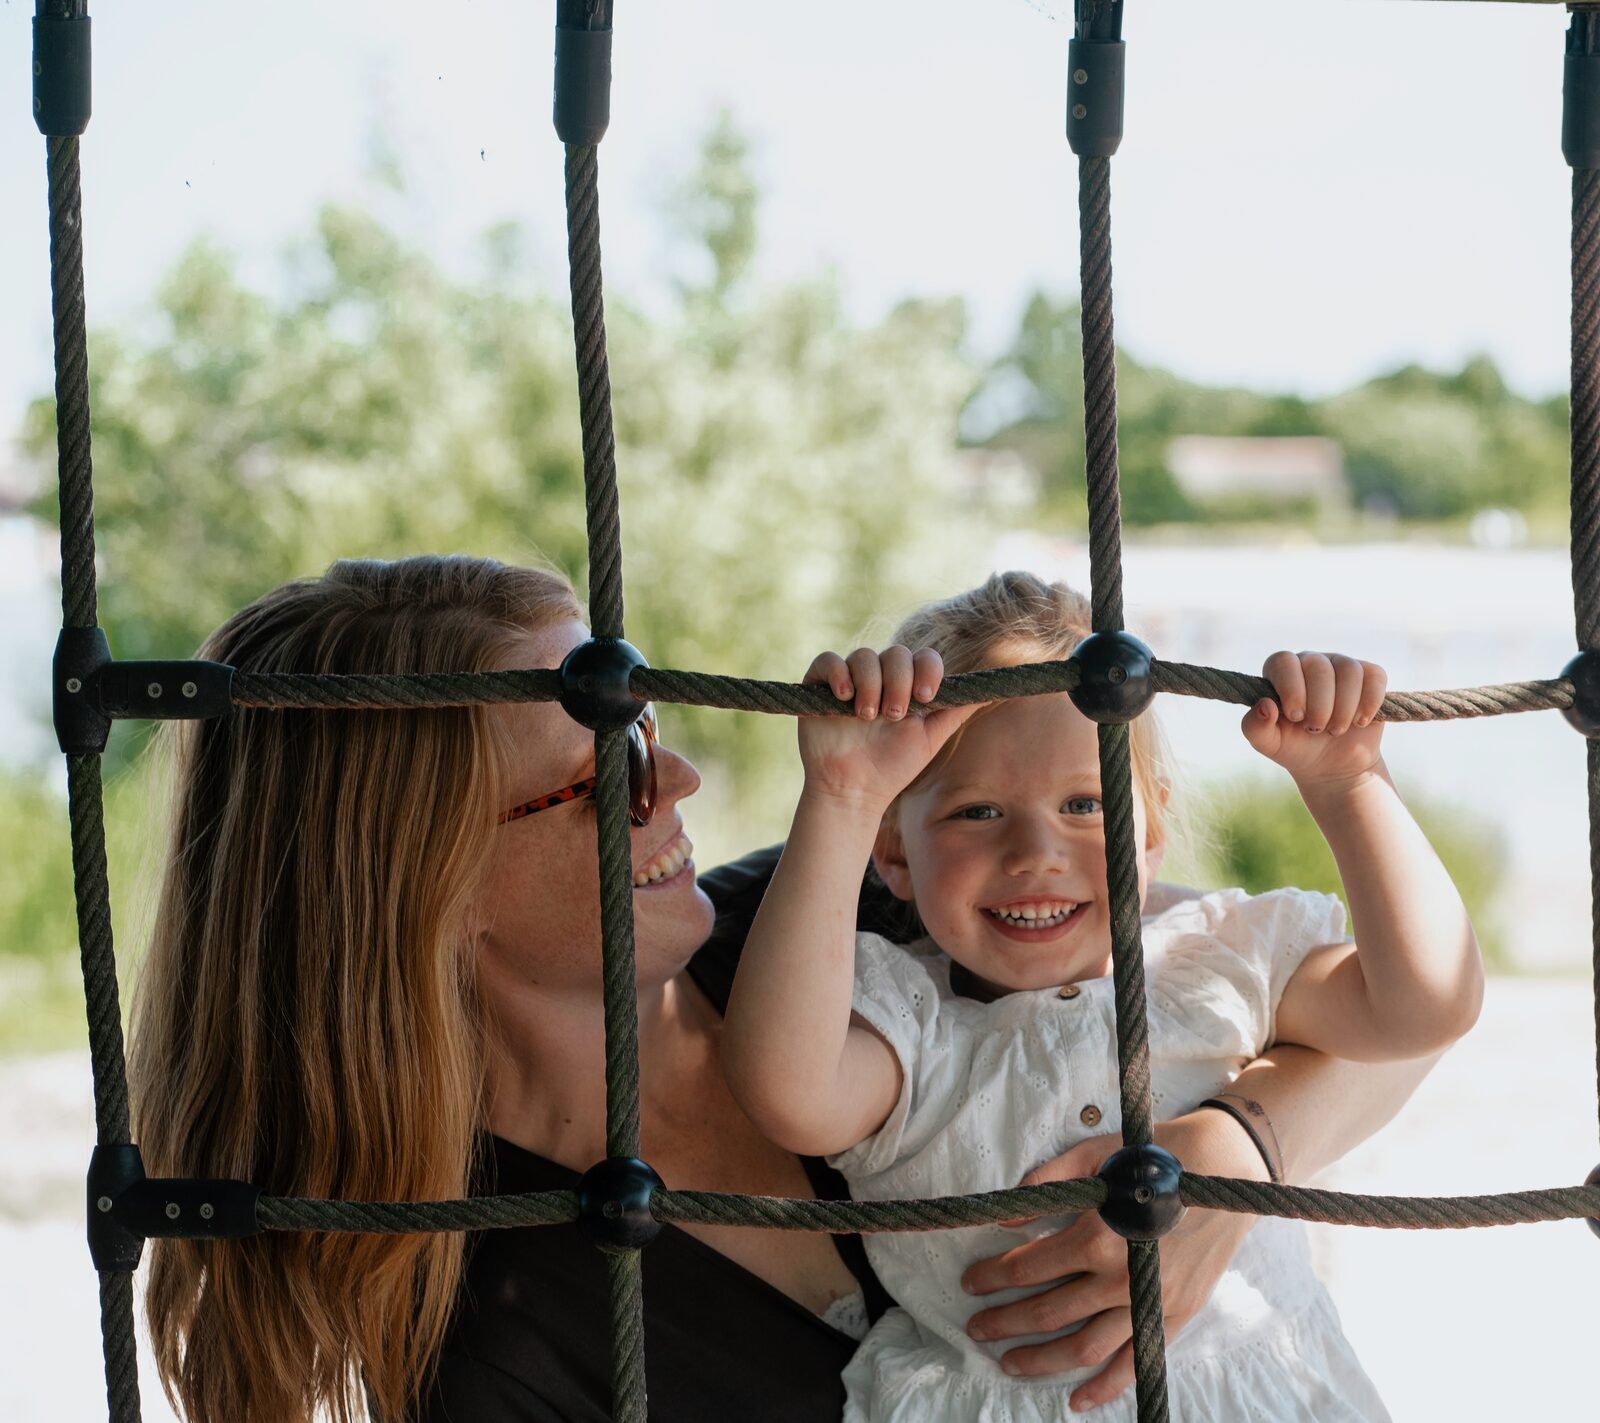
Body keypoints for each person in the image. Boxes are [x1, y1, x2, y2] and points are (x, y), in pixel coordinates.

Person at [126, 555, 1445, 1423]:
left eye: (644, 729)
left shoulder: (828, 917)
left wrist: (1223, 1153)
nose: (679, 783)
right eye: (600, 775)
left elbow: (1339, 1012)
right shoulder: (504, 1328)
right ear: (424, 882)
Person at [722, 571, 1483, 1422]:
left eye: (1085, 803)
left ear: (1149, 836)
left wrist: (1350, 783)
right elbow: (785, 1088)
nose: (1035, 851)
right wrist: (840, 799)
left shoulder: (1214, 960)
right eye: (976, 812)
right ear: (893, 853)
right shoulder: (912, 1027)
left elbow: (1428, 1000)